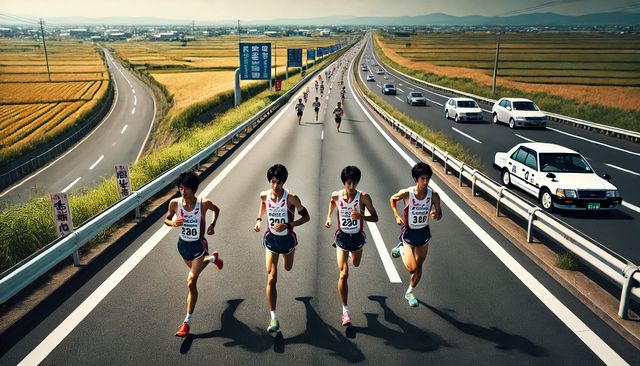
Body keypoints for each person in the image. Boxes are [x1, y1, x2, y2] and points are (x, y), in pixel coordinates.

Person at [164, 171, 224, 337]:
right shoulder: (174, 203)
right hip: (183, 246)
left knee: (191, 282)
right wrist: (172, 223)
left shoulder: (203, 204)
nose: (184, 191)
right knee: (194, 271)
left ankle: (186, 322)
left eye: (187, 189)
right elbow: (166, 219)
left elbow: (217, 209)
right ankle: (213, 258)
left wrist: (212, 225)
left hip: (198, 245)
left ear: (194, 189)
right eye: (181, 188)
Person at [254, 164, 311, 333]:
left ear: (284, 182)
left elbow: (307, 217)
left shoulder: (291, 198)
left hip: (287, 241)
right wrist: (258, 219)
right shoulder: (264, 195)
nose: (275, 186)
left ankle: (292, 252)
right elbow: (263, 204)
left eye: (278, 182)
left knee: (288, 267)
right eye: (272, 182)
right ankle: (273, 318)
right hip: (271, 240)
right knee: (271, 278)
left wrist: (288, 224)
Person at [324, 166, 378, 326]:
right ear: (344, 182)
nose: (352, 186)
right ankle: (345, 311)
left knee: (355, 263)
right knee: (343, 273)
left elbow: (375, 217)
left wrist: (361, 216)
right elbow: (331, 203)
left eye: (355, 183)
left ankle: (352, 254)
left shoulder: (364, 197)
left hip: (357, 237)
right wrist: (328, 218)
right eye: (349, 183)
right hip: (341, 237)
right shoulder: (336, 195)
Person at [389, 162, 442, 307]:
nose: (425, 182)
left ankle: (409, 292)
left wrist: (435, 214)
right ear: (415, 179)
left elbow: (440, 214)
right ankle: (401, 249)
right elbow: (392, 199)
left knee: (419, 267)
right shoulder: (407, 193)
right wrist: (396, 216)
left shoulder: (434, 196)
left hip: (423, 232)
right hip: (409, 233)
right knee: (411, 268)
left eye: (427, 179)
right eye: (422, 179)